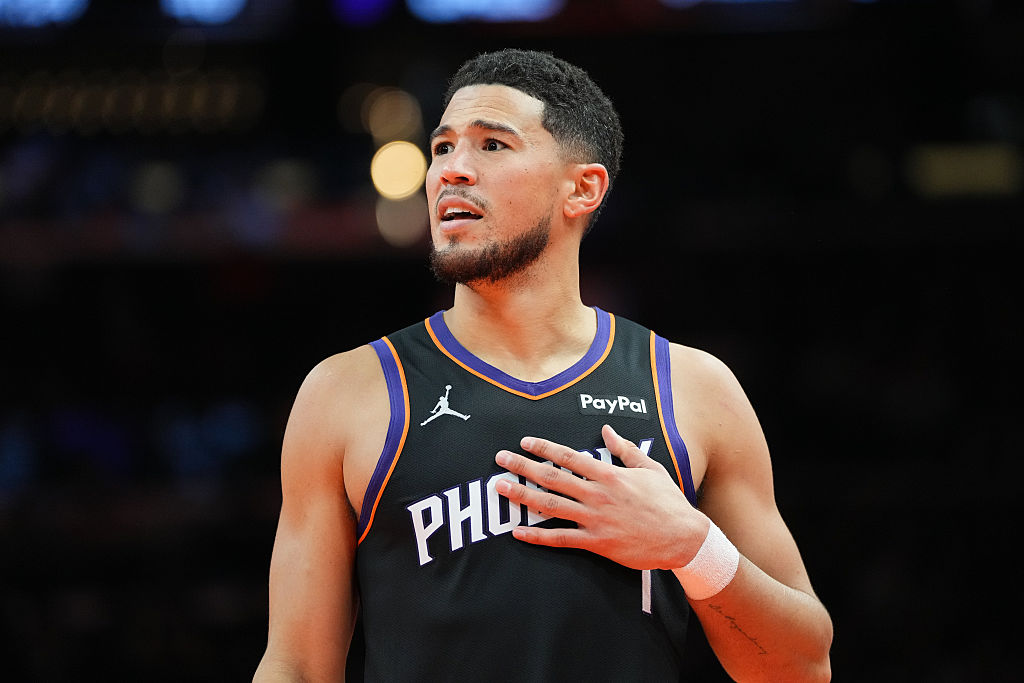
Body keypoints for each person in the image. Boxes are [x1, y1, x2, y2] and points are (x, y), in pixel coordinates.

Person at [254, 48, 833, 682]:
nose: (452, 170)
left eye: (492, 146)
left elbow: (802, 667)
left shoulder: (692, 389)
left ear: (582, 188)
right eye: (443, 148)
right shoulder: (348, 393)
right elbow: (298, 667)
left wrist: (693, 548)